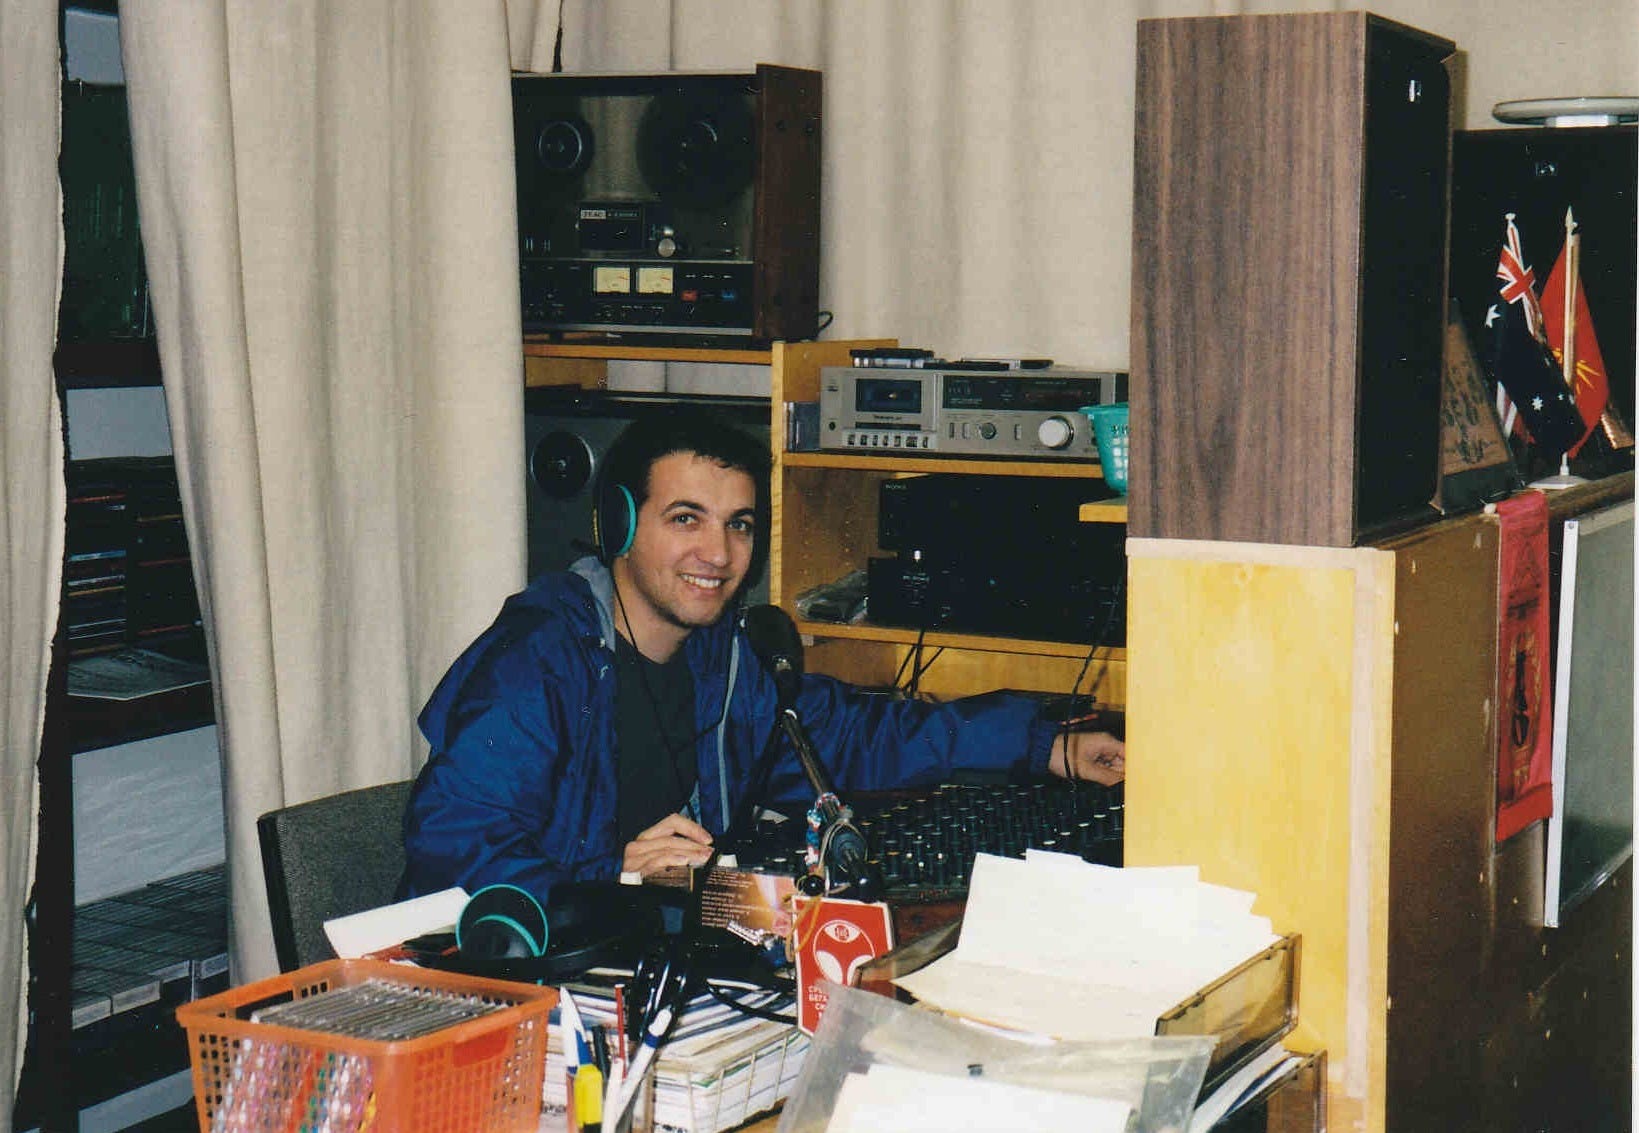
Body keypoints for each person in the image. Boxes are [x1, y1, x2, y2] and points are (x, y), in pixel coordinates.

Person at [400, 410, 1124, 902]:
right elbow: (453, 850)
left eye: (739, 525)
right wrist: (609, 875)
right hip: (522, 981)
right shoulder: (536, 662)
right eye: (686, 519)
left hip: (645, 952)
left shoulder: (726, 662)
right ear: (618, 525)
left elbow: (856, 737)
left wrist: (1046, 747)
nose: (718, 554)